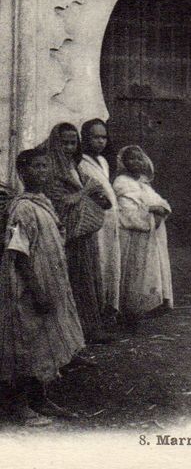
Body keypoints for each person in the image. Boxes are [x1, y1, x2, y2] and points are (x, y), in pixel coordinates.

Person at [0, 148, 84, 425]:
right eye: (36, 167)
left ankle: (41, 398)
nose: (42, 172)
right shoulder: (23, 207)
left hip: (49, 281)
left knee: (45, 341)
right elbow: (19, 251)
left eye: (46, 167)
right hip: (28, 285)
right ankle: (21, 406)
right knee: (27, 343)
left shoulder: (43, 202)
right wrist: (36, 289)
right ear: (23, 173)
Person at [41, 122, 113, 344]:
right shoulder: (52, 170)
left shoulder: (75, 166)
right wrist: (86, 191)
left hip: (83, 233)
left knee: (87, 280)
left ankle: (90, 327)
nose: (70, 148)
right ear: (55, 144)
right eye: (65, 143)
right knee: (75, 281)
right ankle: (75, 332)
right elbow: (61, 203)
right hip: (68, 235)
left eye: (73, 143)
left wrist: (97, 195)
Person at [113, 146, 173, 328]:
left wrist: (158, 209)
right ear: (124, 162)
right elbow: (127, 210)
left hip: (150, 234)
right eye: (131, 159)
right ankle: (127, 312)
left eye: (140, 159)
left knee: (147, 271)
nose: (136, 162)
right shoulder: (121, 183)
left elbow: (159, 202)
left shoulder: (144, 182)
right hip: (132, 236)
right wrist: (150, 211)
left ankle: (142, 309)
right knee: (132, 272)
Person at [79, 119, 121, 322]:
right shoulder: (81, 163)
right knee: (99, 262)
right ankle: (96, 312)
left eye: (103, 137)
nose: (100, 141)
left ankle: (109, 308)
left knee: (110, 262)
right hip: (95, 221)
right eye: (95, 137)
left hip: (110, 220)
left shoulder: (103, 162)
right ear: (86, 138)